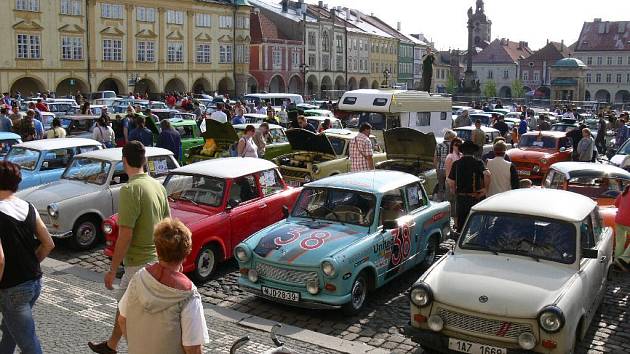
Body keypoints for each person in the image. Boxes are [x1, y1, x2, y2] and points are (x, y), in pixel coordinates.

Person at [88, 142, 170, 354]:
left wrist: (113, 270)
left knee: (129, 316)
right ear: (144, 161)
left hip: (137, 265)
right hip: (154, 260)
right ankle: (111, 345)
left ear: (124, 161)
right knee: (124, 311)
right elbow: (168, 227)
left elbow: (125, 234)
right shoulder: (158, 186)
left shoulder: (130, 189)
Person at [118, 218, 209, 354]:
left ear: (157, 248)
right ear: (186, 253)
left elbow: (122, 320)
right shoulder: (188, 294)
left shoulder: (138, 278)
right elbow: (193, 348)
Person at [0, 160, 55, 354]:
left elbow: (0, 259)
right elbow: (49, 243)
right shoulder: (28, 206)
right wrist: (30, 263)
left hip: (11, 288)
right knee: (10, 329)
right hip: (35, 282)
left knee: (28, 343)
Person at [447, 140, 491, 233]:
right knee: (475, 224)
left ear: (462, 151)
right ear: (473, 151)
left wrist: (454, 190)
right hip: (475, 197)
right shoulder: (478, 162)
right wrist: (485, 189)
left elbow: (450, 181)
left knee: (461, 224)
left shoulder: (456, 163)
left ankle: (459, 242)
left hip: (461, 197)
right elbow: (487, 174)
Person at [445, 138, 463, 228]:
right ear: (452, 145)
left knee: (458, 205)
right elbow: (448, 175)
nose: (458, 146)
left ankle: (457, 224)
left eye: (460, 144)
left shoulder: (461, 155)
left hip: (459, 184)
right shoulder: (450, 157)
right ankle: (453, 225)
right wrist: (452, 187)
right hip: (451, 183)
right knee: (452, 205)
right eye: (456, 144)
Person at [434, 129, 456, 202]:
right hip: (450, 169)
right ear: (451, 137)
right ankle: (448, 202)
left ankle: (439, 201)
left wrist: (436, 169)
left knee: (440, 187)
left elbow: (435, 158)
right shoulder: (453, 146)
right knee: (449, 188)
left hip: (440, 168)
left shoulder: (438, 145)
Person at [614, 186, 630, 271]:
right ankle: (623, 259)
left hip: (619, 220)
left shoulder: (624, 192)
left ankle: (617, 262)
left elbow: (616, 203)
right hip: (628, 221)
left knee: (620, 241)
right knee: (620, 241)